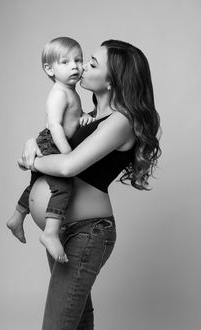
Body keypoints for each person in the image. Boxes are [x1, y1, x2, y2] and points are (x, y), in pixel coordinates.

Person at [18, 39, 161, 329]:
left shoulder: (122, 121)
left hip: (87, 233)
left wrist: (32, 162)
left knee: (58, 325)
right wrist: (31, 144)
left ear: (112, 82)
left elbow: (69, 165)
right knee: (77, 321)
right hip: (64, 229)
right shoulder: (91, 116)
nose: (82, 66)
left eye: (92, 63)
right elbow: (51, 144)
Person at [7, 37, 94, 262]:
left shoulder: (70, 90)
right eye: (65, 62)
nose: (75, 66)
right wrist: (67, 153)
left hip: (54, 141)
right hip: (53, 142)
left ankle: (17, 217)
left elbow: (71, 116)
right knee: (63, 186)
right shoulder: (58, 92)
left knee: (36, 184)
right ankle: (50, 233)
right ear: (49, 68)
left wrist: (83, 116)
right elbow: (55, 125)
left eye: (78, 59)